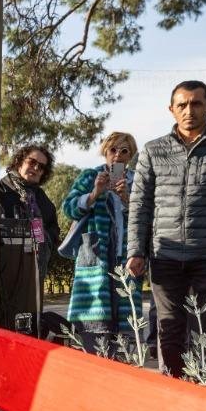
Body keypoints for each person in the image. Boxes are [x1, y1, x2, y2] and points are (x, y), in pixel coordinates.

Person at [126, 82, 206, 378]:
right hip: (165, 257)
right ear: (171, 109)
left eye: (196, 103)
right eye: (182, 105)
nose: (189, 110)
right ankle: (171, 392)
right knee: (168, 331)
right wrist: (135, 250)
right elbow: (140, 205)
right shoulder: (153, 150)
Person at [62, 133, 146, 354]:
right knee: (94, 315)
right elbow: (68, 208)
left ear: (130, 155)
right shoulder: (90, 176)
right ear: (105, 152)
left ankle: (122, 360)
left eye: (124, 151)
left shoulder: (138, 180)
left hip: (126, 256)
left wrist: (127, 198)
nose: (118, 155)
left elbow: (148, 216)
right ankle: (95, 357)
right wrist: (94, 193)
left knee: (125, 315)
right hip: (95, 254)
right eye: (113, 150)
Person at [0, 143, 60, 337]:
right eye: (32, 162)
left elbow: (53, 230)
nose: (36, 168)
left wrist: (45, 242)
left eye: (41, 167)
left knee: (28, 329)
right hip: (0, 276)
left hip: (33, 276)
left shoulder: (43, 200)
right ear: (19, 161)